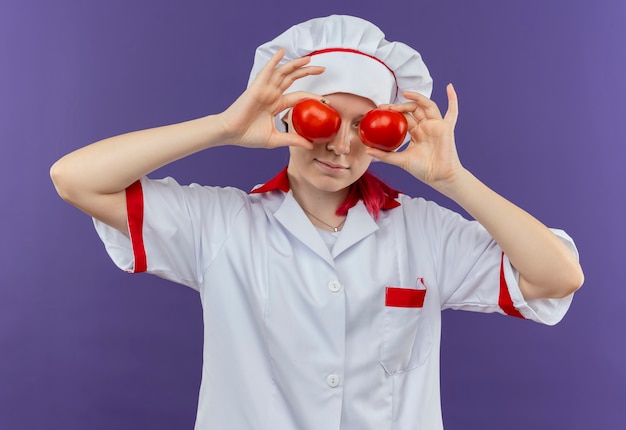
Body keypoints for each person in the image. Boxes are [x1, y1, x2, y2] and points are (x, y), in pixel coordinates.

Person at [50, 14, 583, 430]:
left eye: (364, 125)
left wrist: (453, 179)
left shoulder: (425, 232)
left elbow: (557, 276)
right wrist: (223, 127)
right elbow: (75, 178)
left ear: (386, 131)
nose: (341, 145)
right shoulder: (218, 224)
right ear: (287, 115)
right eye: (321, 117)